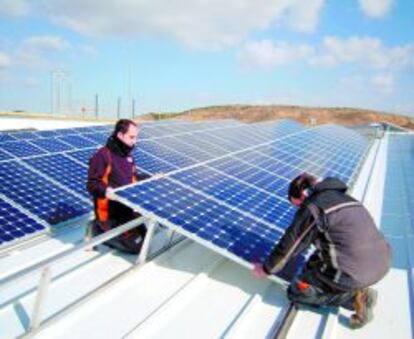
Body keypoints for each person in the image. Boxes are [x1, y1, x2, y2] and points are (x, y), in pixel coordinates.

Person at [253, 173, 391, 329]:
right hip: (382, 262)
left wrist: (266, 268)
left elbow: (292, 243)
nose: (299, 210)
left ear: (304, 195)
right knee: (319, 252)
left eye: (298, 205)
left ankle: (353, 298)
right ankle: (345, 285)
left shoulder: (314, 206)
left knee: (296, 291)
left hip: (354, 273)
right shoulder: (347, 199)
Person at [87, 119, 150, 254]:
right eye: (131, 137)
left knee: (146, 239)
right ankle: (98, 230)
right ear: (120, 135)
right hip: (109, 215)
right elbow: (92, 184)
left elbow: (132, 178)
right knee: (137, 247)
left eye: (136, 137)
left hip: (125, 211)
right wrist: (106, 191)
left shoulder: (128, 157)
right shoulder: (103, 155)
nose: (135, 141)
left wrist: (151, 178)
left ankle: (116, 233)